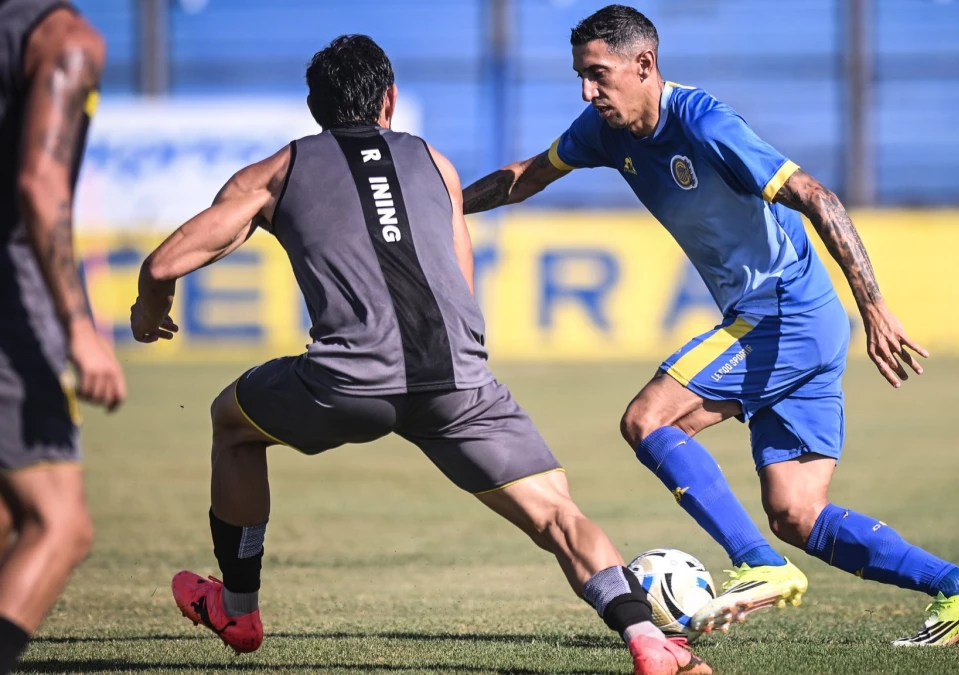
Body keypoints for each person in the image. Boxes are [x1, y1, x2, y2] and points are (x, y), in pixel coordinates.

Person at [129, 35, 711, 675]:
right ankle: (645, 641)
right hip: (460, 380)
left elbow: (164, 264)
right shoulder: (435, 162)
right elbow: (462, 287)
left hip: (349, 382)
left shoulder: (276, 172)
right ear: (390, 100)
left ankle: (237, 608)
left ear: (314, 106)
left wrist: (148, 313)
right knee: (558, 516)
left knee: (231, 425)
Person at [460, 4, 959, 646]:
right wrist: (438, 207)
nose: (587, 90)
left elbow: (817, 196)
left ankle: (757, 566)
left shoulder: (706, 122)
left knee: (648, 420)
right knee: (798, 514)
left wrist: (876, 307)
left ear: (644, 64)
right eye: (581, 75)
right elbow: (524, 178)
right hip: (794, 322)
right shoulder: (601, 130)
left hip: (785, 312)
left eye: (598, 74)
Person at [0, 1, 125, 671]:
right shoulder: (68, 40)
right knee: (60, 524)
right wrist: (80, 325)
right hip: (10, 295)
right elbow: (39, 181)